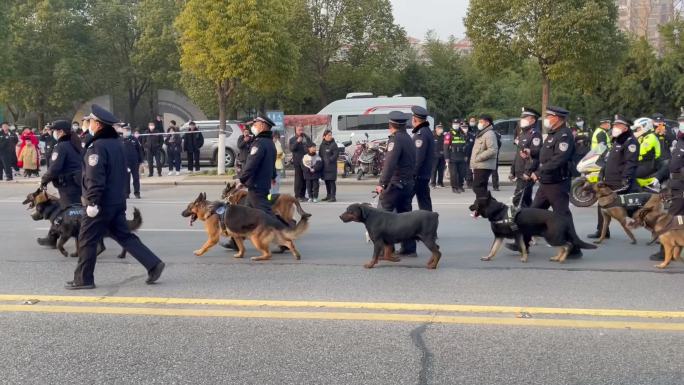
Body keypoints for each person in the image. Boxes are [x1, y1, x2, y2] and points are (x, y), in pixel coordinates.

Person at [67, 104, 165, 290]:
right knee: (124, 235)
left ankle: (83, 279)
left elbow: (95, 177)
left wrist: (92, 202)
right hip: (117, 201)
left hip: (100, 203)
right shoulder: (117, 144)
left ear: (98, 124)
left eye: (91, 121)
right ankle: (153, 264)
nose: (88, 124)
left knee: (87, 239)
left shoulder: (96, 147)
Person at [512, 106, 582, 258]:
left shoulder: (565, 135)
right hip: (547, 182)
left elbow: (558, 159)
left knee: (562, 215)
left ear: (558, 118)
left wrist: (538, 172)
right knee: (532, 212)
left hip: (557, 182)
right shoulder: (553, 134)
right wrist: (532, 152)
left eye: (550, 116)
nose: (547, 119)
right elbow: (545, 153)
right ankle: (522, 243)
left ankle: (574, 248)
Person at [587, 115, 639, 239]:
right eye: (614, 125)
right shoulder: (617, 140)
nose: (614, 127)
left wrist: (626, 178)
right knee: (602, 204)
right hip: (609, 180)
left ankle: (655, 229)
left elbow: (631, 162)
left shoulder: (631, 142)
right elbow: (609, 159)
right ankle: (602, 231)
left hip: (619, 180)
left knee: (629, 209)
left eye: (617, 125)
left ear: (625, 128)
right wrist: (602, 172)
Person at [376, 111, 416, 258]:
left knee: (383, 217)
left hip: (395, 184)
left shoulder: (395, 140)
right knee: (406, 218)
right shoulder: (409, 138)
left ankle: (384, 251)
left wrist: (382, 183)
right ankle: (409, 248)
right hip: (408, 184)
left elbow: (390, 163)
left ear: (391, 125)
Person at [38, 120, 83, 248]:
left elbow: (55, 168)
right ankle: (52, 237)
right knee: (69, 212)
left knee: (71, 215)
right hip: (76, 184)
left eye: (54, 131)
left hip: (68, 186)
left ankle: (82, 245)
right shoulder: (75, 143)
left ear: (61, 132)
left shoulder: (61, 146)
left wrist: (44, 180)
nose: (53, 133)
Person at [650, 113, 684, 261]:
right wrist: (658, 177)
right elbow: (672, 163)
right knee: (679, 219)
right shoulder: (680, 141)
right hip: (676, 185)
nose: (681, 124)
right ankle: (676, 250)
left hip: (682, 187)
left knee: (671, 218)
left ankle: (665, 252)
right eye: (681, 121)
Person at [239, 116, 279, 217]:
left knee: (266, 213)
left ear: (262, 126)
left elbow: (252, 163)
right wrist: (273, 176)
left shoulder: (259, 143)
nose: (253, 127)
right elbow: (271, 162)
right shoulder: (270, 143)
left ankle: (281, 230)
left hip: (257, 185)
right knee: (247, 212)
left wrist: (242, 180)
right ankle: (246, 232)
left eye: (255, 125)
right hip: (262, 184)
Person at [509, 107, 542, 208]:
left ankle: (523, 220)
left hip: (526, 173)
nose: (521, 120)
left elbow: (535, 156)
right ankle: (531, 220)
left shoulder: (535, 135)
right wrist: (512, 171)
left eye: (525, 117)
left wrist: (528, 172)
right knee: (526, 199)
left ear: (532, 120)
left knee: (518, 199)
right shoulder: (523, 134)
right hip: (520, 171)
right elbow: (518, 155)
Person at [410, 106, 434, 211]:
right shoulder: (426, 131)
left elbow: (418, 157)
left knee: (404, 202)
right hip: (423, 175)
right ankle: (429, 223)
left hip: (418, 176)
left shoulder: (421, 133)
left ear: (414, 119)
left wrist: (412, 174)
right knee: (424, 202)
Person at [469, 114, 499, 198]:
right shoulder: (482, 133)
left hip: (484, 165)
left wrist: (478, 158)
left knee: (477, 187)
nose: (479, 123)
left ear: (487, 123)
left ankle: (489, 205)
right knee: (481, 188)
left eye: (481, 122)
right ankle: (482, 207)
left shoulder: (489, 134)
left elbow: (492, 150)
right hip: (480, 165)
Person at [632, 117, 661, 185]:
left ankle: (639, 189)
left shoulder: (650, 137)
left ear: (645, 126)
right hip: (641, 163)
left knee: (628, 174)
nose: (637, 130)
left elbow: (640, 152)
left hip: (649, 164)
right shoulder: (642, 137)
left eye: (639, 128)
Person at [444, 120, 470, 193]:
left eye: (457, 123)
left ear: (459, 125)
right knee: (454, 174)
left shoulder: (463, 134)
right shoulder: (449, 134)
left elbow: (466, 145)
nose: (456, 125)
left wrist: (466, 155)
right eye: (454, 123)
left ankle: (460, 186)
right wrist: (446, 158)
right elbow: (445, 147)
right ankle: (454, 187)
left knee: (462, 173)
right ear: (452, 124)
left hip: (462, 156)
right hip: (452, 156)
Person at [289, 125, 312, 202]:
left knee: (304, 178)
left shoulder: (306, 138)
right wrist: (297, 141)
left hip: (306, 161)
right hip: (297, 161)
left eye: (302, 130)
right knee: (298, 179)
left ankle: (303, 195)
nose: (301, 131)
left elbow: (311, 146)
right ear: (296, 130)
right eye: (299, 130)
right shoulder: (292, 139)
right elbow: (291, 148)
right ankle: (297, 196)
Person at [121, 124, 144, 199]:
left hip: (134, 162)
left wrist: (141, 161)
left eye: (128, 130)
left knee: (136, 178)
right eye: (125, 130)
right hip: (125, 162)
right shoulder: (120, 140)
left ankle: (137, 193)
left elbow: (139, 150)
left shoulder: (134, 139)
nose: (127, 131)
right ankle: (126, 193)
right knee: (126, 179)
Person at [653, 113, 675, 184]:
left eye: (660, 121)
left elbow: (673, 140)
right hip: (652, 157)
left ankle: (661, 183)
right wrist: (655, 133)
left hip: (665, 156)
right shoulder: (649, 129)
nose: (659, 123)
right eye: (657, 121)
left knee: (667, 164)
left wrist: (665, 134)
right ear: (653, 121)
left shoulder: (667, 128)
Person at [319, 129, 339, 202]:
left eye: (331, 135)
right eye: (328, 135)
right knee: (326, 181)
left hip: (331, 167)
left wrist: (330, 160)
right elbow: (320, 155)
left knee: (331, 182)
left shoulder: (333, 144)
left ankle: (333, 197)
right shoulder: (322, 145)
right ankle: (328, 195)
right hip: (324, 167)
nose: (330, 136)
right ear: (324, 136)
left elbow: (336, 154)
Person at [430, 123, 446, 188]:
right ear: (436, 129)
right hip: (434, 156)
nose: (440, 130)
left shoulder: (444, 136)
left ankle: (440, 183)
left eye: (441, 128)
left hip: (442, 156)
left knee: (441, 170)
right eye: (439, 128)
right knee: (433, 170)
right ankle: (433, 183)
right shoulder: (432, 136)